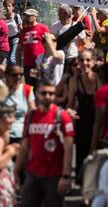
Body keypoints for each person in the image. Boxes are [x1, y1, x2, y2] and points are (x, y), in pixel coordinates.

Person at [15, 79, 75, 207]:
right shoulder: (30, 116)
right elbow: (25, 145)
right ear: (36, 94)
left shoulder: (62, 116)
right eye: (44, 93)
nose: (47, 96)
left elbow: (68, 148)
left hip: (54, 175)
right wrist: (16, 171)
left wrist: (65, 176)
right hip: (32, 173)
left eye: (51, 93)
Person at [67, 49, 99, 183]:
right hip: (81, 122)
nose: (85, 63)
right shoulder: (75, 80)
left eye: (88, 60)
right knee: (81, 154)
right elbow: (69, 104)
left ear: (93, 62)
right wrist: (69, 112)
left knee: (96, 157)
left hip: (97, 121)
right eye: (81, 60)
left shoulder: (99, 79)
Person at [17, 8, 49, 87]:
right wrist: (18, 65)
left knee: (40, 87)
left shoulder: (43, 28)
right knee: (30, 87)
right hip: (28, 65)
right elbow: (19, 48)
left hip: (40, 64)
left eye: (29, 16)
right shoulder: (23, 31)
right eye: (26, 16)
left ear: (35, 17)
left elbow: (50, 45)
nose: (27, 18)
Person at [4, 64, 35, 144]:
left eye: (21, 75)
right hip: (4, 134)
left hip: (22, 134)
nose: (18, 77)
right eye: (14, 75)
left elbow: (32, 113)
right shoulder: (1, 91)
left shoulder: (27, 89)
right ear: (7, 76)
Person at [3, 0, 22, 66]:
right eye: (5, 6)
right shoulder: (2, 17)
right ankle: (10, 73)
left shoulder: (16, 16)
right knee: (7, 59)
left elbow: (21, 28)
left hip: (15, 39)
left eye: (9, 6)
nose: (7, 8)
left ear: (12, 7)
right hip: (6, 40)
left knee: (12, 57)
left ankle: (13, 72)